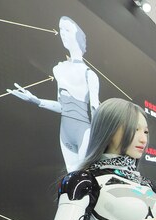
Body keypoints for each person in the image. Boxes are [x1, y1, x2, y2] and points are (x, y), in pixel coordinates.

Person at [8, 16, 100, 172]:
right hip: (65, 132)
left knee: (84, 176)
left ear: (78, 35)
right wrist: (36, 101)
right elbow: (62, 106)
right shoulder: (59, 70)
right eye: (61, 29)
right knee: (72, 178)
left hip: (84, 132)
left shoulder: (89, 74)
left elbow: (96, 109)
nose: (63, 33)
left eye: (67, 30)